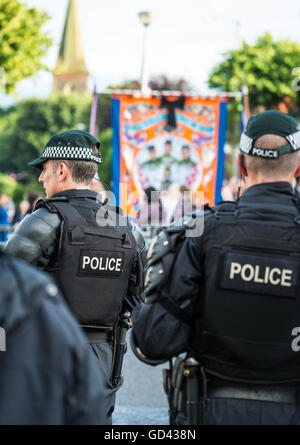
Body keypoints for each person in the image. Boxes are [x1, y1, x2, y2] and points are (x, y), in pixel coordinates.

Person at [131, 110, 300, 425]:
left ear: (241, 163)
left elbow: (153, 342)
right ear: (299, 167)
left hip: (209, 411)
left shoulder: (201, 233)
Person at [4, 129, 147, 425]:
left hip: (45, 356)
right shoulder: (129, 231)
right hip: (105, 364)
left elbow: (7, 288)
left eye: (44, 169)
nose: (41, 179)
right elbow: (137, 300)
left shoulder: (45, 220)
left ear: (62, 169)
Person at [0, 250, 107, 425]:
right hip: (92, 338)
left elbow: (21, 252)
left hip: (56, 328)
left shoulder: (26, 287)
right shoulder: (28, 288)